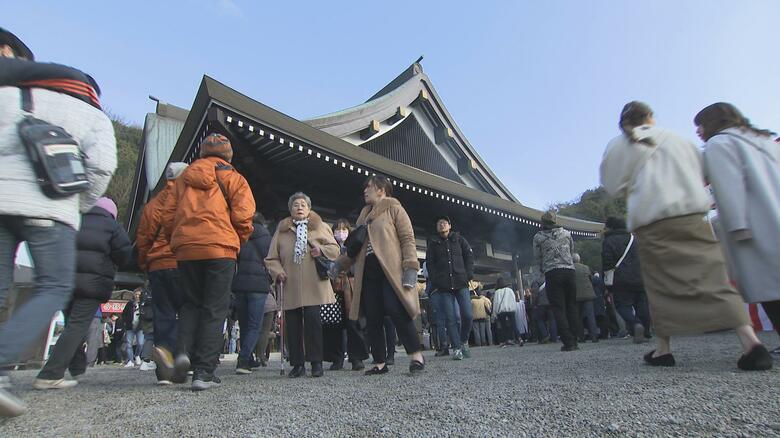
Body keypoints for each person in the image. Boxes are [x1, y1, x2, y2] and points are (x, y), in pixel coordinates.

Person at [600, 101, 772, 370]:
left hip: (653, 220)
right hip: (692, 214)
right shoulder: (678, 139)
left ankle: (664, 349)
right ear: (651, 117)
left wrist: (634, 185)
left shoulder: (618, 145)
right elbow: (702, 172)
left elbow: (611, 184)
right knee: (712, 278)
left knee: (660, 286)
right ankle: (750, 342)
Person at [0, 29, 117, 417]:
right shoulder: (91, 112)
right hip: (52, 212)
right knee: (52, 286)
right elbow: (101, 166)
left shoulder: (11, 93)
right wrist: (77, 204)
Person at [154, 133, 256, 390]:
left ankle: (183, 354)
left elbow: (167, 216)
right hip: (220, 249)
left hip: (187, 249)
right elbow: (244, 216)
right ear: (228, 155)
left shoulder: (182, 181)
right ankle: (204, 372)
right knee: (214, 308)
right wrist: (236, 240)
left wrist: (178, 238)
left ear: (201, 153)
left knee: (190, 304)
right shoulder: (234, 178)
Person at [696, 103, 780, 357]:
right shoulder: (762, 140)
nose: (699, 131)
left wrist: (736, 224)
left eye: (700, 124)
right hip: (774, 212)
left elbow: (728, 187)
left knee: (770, 289)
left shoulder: (719, 144)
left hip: (754, 222)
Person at [33, 197, 130, 388]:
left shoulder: (73, 219)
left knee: (71, 323)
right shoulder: (112, 226)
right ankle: (51, 373)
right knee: (77, 325)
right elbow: (125, 253)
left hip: (65, 281)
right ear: (111, 212)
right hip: (92, 284)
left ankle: (77, 365)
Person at [333, 175, 425, 375]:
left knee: (396, 309)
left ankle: (416, 355)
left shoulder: (394, 208)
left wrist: (410, 267)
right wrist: (339, 265)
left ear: (381, 189)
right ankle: (380, 362)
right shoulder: (363, 217)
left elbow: (407, 238)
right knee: (372, 317)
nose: (365, 191)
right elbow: (354, 248)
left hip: (390, 269)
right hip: (367, 270)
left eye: (369, 187)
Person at [264, 193, 339, 378]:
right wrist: (277, 271)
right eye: (295, 204)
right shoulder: (282, 230)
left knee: (313, 322)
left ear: (309, 208)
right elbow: (271, 257)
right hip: (290, 281)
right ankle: (297, 364)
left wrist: (320, 249)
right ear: (290, 210)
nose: (299, 207)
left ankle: (316, 362)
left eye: (303, 204)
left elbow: (335, 249)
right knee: (293, 324)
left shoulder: (320, 226)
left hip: (313, 282)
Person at [136, 161, 188, 384]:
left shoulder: (152, 205)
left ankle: (163, 371)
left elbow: (143, 239)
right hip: (183, 261)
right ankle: (183, 358)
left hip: (157, 264)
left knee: (163, 314)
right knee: (188, 311)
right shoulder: (189, 200)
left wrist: (144, 263)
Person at [426, 216, 475, 360]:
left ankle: (464, 340)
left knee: (467, 315)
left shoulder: (460, 240)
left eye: (444, 223)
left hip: (461, 282)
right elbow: (430, 264)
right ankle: (456, 348)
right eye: (438, 223)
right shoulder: (433, 244)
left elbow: (469, 257)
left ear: (449, 225)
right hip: (444, 286)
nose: (441, 225)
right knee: (450, 318)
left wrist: (468, 274)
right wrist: (436, 280)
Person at [323, 219, 369, 371]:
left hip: (351, 285)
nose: (340, 233)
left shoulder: (354, 246)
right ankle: (336, 358)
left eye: (344, 230)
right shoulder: (329, 246)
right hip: (333, 287)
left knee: (353, 322)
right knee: (333, 324)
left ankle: (356, 357)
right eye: (337, 230)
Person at [533, 211, 581, 351]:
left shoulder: (539, 237)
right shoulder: (566, 233)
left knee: (558, 308)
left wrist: (539, 275)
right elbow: (572, 251)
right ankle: (575, 338)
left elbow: (537, 258)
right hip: (569, 271)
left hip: (552, 273)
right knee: (571, 305)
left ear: (543, 223)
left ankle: (568, 341)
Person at [233, 212, 272, 375]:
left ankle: (246, 357)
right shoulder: (267, 238)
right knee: (255, 324)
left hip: (240, 284)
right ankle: (244, 359)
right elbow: (272, 259)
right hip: (258, 285)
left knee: (243, 323)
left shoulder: (240, 235)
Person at [601, 216, 651, 343]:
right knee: (642, 304)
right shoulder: (634, 238)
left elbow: (607, 262)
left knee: (622, 305)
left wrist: (606, 281)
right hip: (640, 277)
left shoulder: (608, 241)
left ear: (611, 227)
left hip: (620, 279)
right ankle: (645, 331)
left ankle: (635, 325)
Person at [572, 254, 599, 343]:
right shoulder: (586, 267)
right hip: (588, 294)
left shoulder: (571, 269)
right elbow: (591, 278)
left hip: (576, 295)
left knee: (578, 317)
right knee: (590, 316)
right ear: (579, 260)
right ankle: (594, 336)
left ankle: (581, 337)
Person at [122, 289, 145, 368]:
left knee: (141, 343)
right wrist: (125, 322)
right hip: (130, 326)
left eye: (139, 294)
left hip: (140, 327)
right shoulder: (129, 303)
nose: (137, 296)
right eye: (136, 294)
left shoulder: (144, 304)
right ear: (133, 295)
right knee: (129, 344)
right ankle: (130, 361)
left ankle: (137, 355)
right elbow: (123, 314)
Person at [491, 278, 516, 347]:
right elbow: (513, 299)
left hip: (501, 311)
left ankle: (506, 340)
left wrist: (494, 313)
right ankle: (516, 338)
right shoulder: (509, 290)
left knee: (503, 326)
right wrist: (514, 308)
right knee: (513, 324)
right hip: (510, 310)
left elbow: (495, 303)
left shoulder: (497, 292)